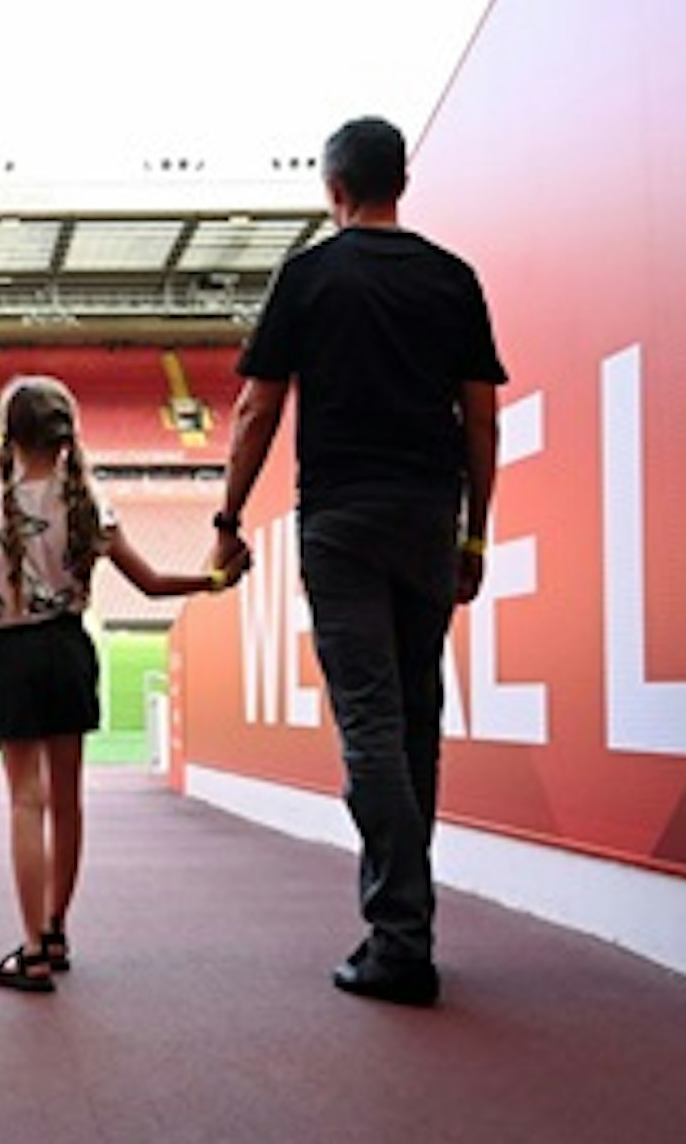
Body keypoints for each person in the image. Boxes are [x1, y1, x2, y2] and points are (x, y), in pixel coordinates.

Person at [211, 116, 505, 1007]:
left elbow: (257, 411)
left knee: (371, 722)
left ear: (334, 190)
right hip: (427, 514)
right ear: (399, 183)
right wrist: (475, 532)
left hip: (340, 517)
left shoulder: (309, 275)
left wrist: (228, 518)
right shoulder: (453, 278)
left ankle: (400, 937)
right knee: (416, 715)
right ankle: (408, 927)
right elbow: (481, 419)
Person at [0, 376, 241, 993]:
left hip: (9, 655)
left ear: (9, 436)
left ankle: (29, 950)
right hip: (68, 649)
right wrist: (214, 581)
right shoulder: (88, 506)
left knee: (25, 801)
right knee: (68, 799)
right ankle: (55, 932)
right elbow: (155, 583)